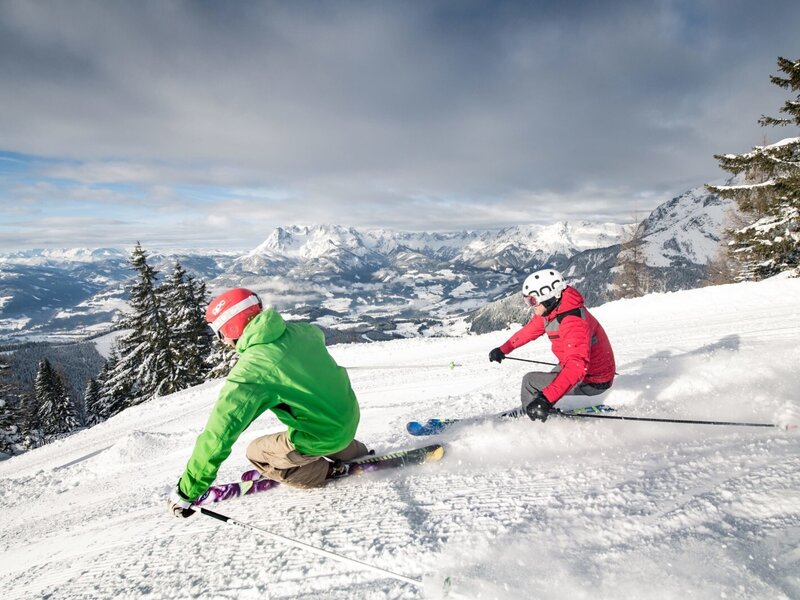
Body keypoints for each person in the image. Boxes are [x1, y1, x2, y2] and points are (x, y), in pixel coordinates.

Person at [167, 287, 368, 518]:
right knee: (309, 422)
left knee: (257, 452)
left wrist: (187, 491)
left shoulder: (252, 371)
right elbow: (317, 336)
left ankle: (326, 471)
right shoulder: (302, 331)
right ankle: (356, 452)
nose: (222, 341)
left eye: (219, 333)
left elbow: (218, 435)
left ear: (231, 327)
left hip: (325, 434)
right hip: (348, 415)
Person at [489, 268, 615, 422]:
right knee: (546, 383)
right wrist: (503, 349)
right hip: (583, 370)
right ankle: (536, 408)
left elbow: (577, 367)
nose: (530, 305)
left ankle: (530, 419)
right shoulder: (552, 311)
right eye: (527, 300)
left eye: (532, 300)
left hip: (593, 380)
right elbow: (528, 332)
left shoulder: (573, 321)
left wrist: (546, 399)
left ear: (549, 296)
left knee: (530, 382)